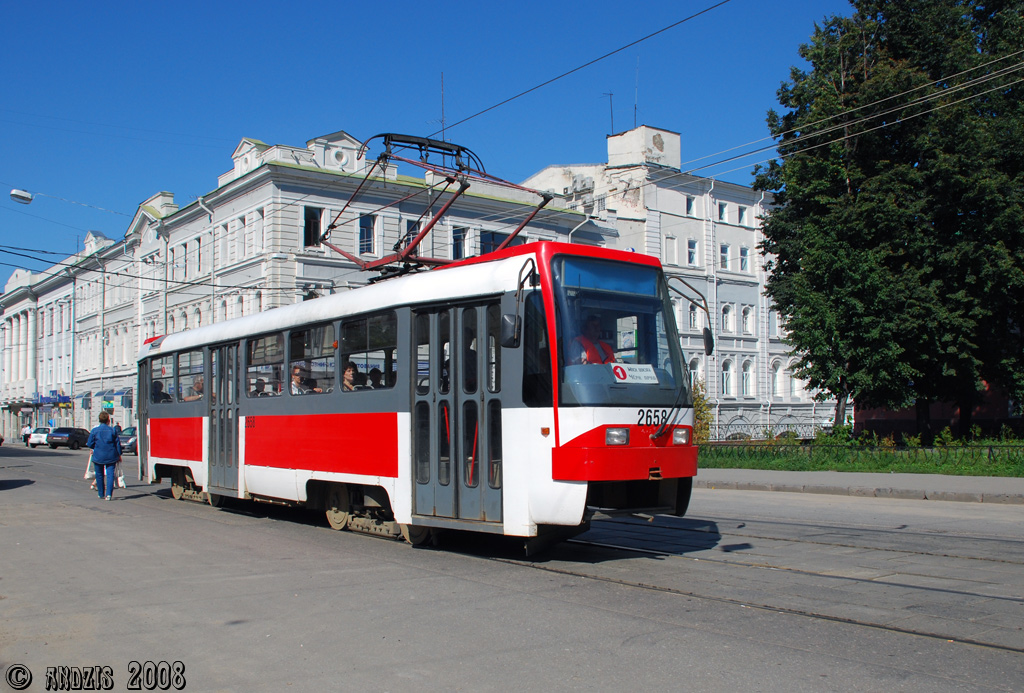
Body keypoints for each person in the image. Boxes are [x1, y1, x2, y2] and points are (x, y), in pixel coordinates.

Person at [87, 411, 123, 501]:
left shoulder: (94, 430)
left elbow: (89, 443)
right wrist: (119, 454)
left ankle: (100, 494)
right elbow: (117, 444)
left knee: (99, 475)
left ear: (99, 420)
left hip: (98, 455)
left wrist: (95, 447)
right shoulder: (112, 430)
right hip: (111, 455)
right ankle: (109, 495)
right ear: (108, 420)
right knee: (110, 475)